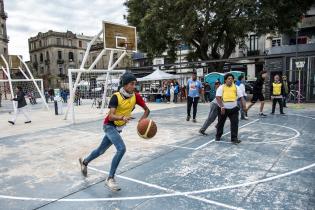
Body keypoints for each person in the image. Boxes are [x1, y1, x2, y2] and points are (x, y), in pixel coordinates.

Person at [79, 72, 150, 191]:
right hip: (109, 125)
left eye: (135, 84)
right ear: (126, 85)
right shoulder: (116, 96)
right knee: (121, 149)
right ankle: (110, 178)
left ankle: (85, 162)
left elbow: (147, 110)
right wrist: (122, 118)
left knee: (100, 150)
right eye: (132, 84)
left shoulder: (136, 96)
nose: (134, 86)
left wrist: (141, 121)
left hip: (118, 128)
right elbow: (111, 116)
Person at [215, 73, 246, 144]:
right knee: (220, 123)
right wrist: (222, 106)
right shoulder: (221, 87)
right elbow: (218, 97)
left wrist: (244, 106)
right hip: (223, 109)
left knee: (235, 123)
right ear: (225, 80)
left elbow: (241, 97)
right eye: (229, 79)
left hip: (233, 109)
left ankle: (234, 138)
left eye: (231, 79)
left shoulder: (236, 87)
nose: (230, 80)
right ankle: (218, 136)